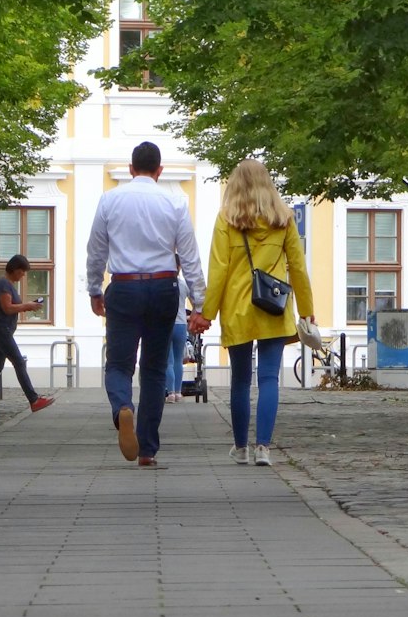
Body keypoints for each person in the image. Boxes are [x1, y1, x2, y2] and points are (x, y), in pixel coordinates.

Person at [87, 141, 206, 467]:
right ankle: (147, 450)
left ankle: (123, 407)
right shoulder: (175, 203)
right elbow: (190, 257)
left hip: (124, 288)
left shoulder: (109, 201)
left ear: (130, 169)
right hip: (165, 287)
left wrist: (94, 289)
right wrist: (199, 303)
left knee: (118, 365)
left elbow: (96, 250)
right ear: (159, 171)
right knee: (154, 370)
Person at [190, 159, 316, 466]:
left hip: (238, 308)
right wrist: (307, 311)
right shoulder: (284, 219)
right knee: (270, 378)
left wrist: (207, 312)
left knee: (241, 380)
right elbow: (297, 267)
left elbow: (218, 270)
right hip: (273, 307)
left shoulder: (226, 219)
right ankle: (264, 448)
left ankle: (241, 447)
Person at [0, 255, 55, 414]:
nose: (23, 276)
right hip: (0, 329)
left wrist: (27, 306)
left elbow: (11, 307)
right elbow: (7, 308)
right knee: (19, 362)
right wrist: (26, 305)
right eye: (22, 272)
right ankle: (34, 400)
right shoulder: (3, 284)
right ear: (15, 270)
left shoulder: (9, 285)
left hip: (1, 329)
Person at [164, 256, 188, 403]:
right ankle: (179, 392)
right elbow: (194, 301)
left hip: (167, 323)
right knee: (179, 359)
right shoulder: (183, 285)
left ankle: (170, 392)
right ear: (179, 267)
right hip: (181, 324)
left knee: (168, 361)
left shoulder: (164, 285)